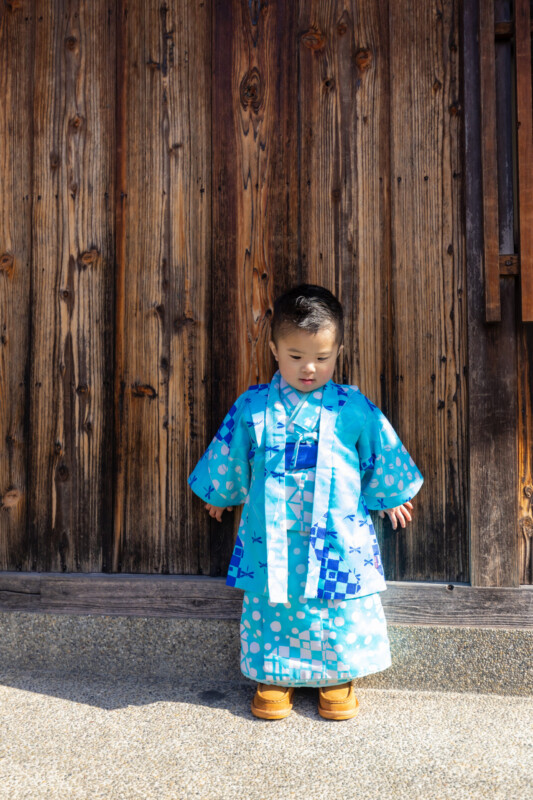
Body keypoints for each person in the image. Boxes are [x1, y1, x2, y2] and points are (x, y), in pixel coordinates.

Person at [188, 284, 423, 720]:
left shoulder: (352, 407)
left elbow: (379, 450)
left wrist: (391, 495)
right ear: (274, 350)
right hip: (272, 532)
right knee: (275, 596)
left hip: (336, 531)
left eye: (322, 357)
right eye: (295, 356)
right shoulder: (253, 406)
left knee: (334, 599)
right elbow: (233, 454)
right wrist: (221, 494)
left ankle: (338, 674)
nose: (309, 368)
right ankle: (274, 673)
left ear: (339, 352)